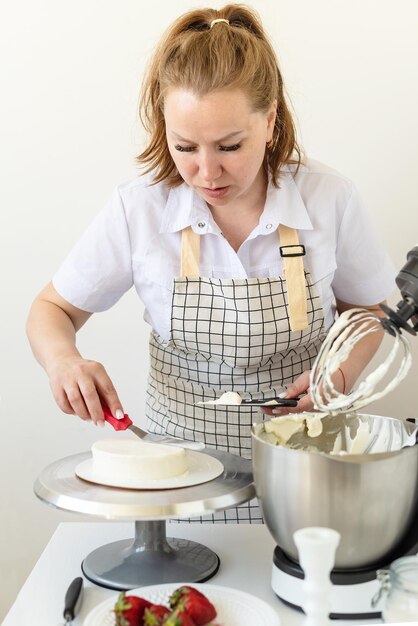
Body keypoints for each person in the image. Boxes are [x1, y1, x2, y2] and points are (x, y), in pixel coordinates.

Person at [26, 4, 395, 522]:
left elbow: (371, 311)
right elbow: (51, 309)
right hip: (175, 480)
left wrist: (340, 371)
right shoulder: (140, 208)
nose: (206, 171)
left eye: (229, 146)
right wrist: (63, 361)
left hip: (307, 468)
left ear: (269, 121)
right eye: (185, 147)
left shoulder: (328, 198)